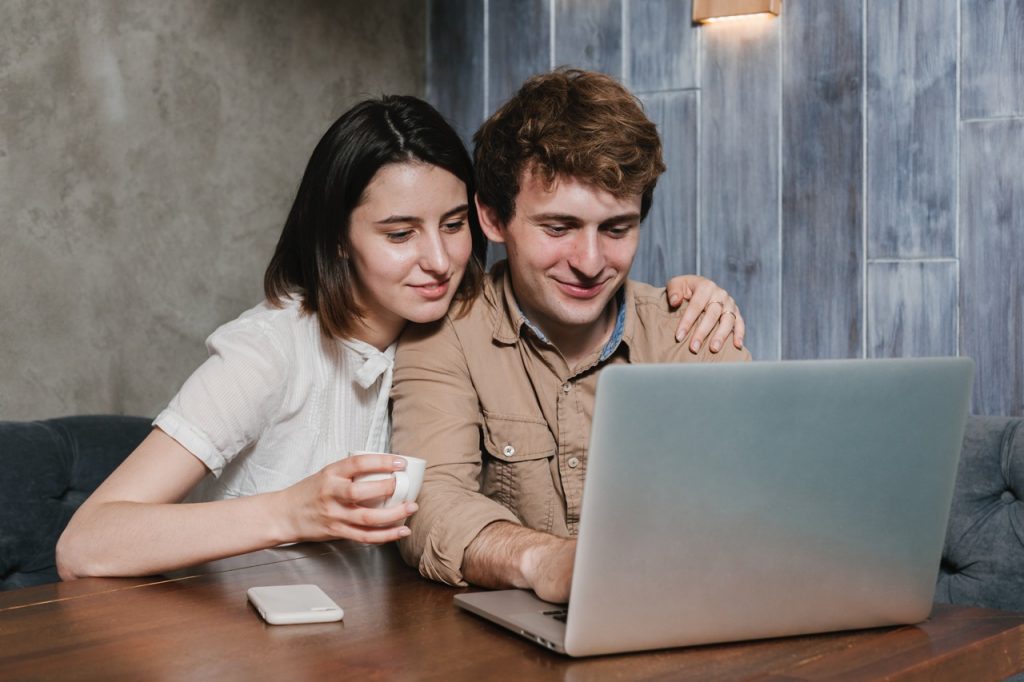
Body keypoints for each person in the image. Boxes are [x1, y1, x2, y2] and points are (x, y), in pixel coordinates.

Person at [57, 94, 743, 580]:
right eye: (398, 234)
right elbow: (87, 544)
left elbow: (575, 272)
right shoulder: (269, 353)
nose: (440, 261)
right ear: (337, 239)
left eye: (451, 225)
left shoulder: (457, 318)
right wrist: (293, 509)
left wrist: (691, 293)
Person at [390, 70, 751, 603]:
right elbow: (432, 502)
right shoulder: (445, 336)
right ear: (491, 218)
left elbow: (758, 507)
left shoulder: (693, 331)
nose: (589, 263)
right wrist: (545, 560)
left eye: (616, 229)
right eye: (558, 228)